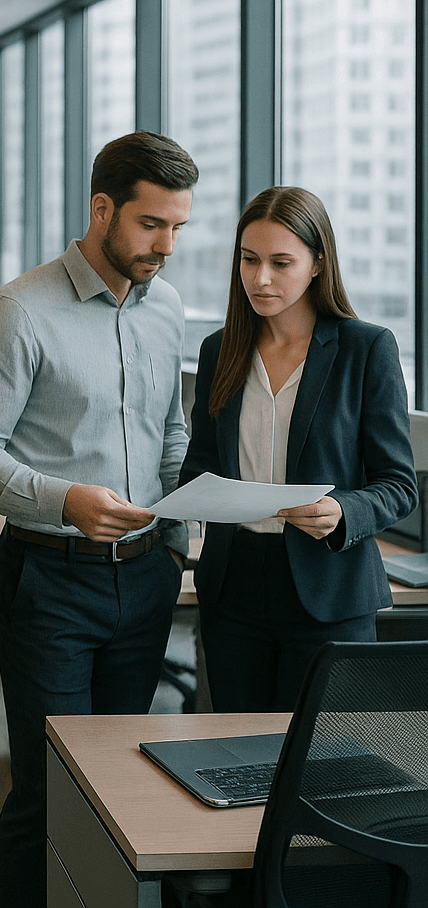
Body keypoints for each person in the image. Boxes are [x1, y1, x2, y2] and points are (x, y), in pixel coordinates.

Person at [0, 131, 199, 908]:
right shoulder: (18, 312)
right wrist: (64, 500)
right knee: (50, 787)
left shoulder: (168, 312)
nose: (167, 245)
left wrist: (185, 528)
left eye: (179, 228)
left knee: (119, 783)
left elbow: (170, 432)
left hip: (147, 580)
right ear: (102, 208)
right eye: (152, 224)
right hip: (50, 582)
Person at [181, 186, 416, 712]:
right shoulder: (220, 350)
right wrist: (194, 498)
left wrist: (341, 510)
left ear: (317, 264)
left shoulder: (366, 348)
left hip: (328, 589)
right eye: (249, 259)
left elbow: (399, 485)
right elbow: (200, 463)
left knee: (318, 769)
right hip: (234, 585)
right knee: (236, 752)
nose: (260, 278)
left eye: (280, 262)